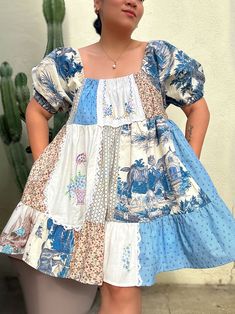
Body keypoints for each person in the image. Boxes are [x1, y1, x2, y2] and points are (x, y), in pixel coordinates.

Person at [0, 0, 235, 313]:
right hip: (82, 200)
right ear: (97, 3)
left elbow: (198, 110)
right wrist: (45, 169)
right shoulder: (69, 64)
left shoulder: (158, 58)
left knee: (121, 291)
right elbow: (36, 112)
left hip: (132, 202)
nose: (132, 2)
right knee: (106, 289)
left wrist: (180, 172)